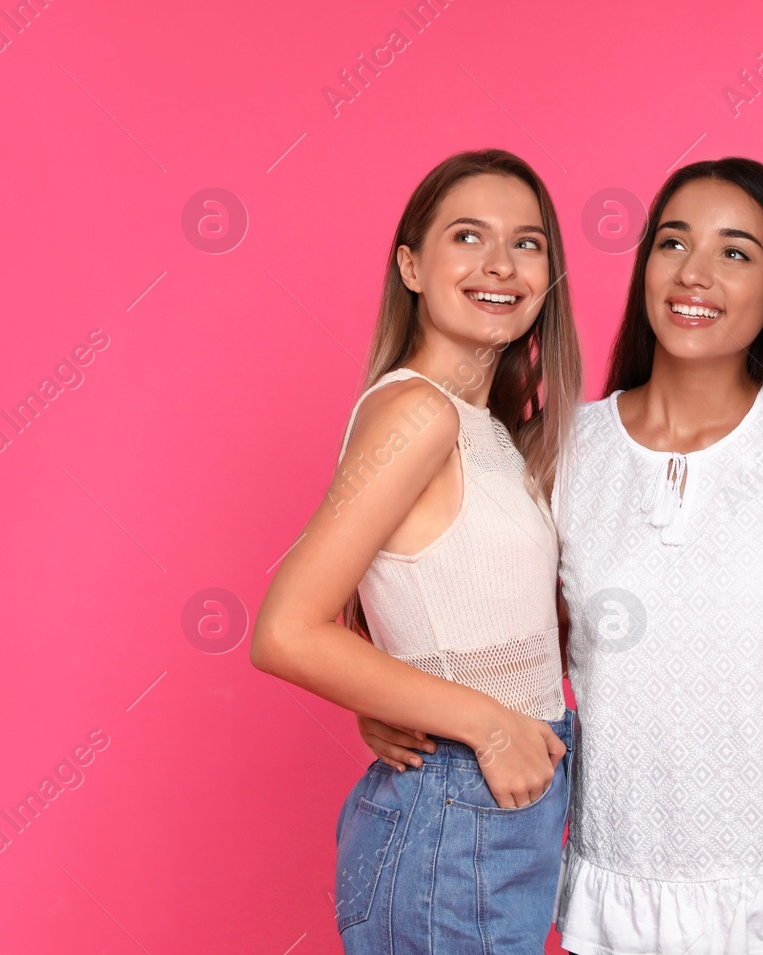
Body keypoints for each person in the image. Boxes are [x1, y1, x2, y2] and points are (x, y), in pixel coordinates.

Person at [363, 157, 763, 954]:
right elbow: (481, 611)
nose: (695, 273)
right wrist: (395, 697)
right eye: (672, 242)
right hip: (614, 894)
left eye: (736, 252)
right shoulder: (561, 449)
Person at [250, 148, 583, 954]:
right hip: (455, 807)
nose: (500, 264)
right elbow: (285, 629)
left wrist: (402, 696)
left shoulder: (488, 427)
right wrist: (482, 721)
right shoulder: (416, 415)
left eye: (528, 243)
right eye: (468, 236)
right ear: (411, 264)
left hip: (494, 806)